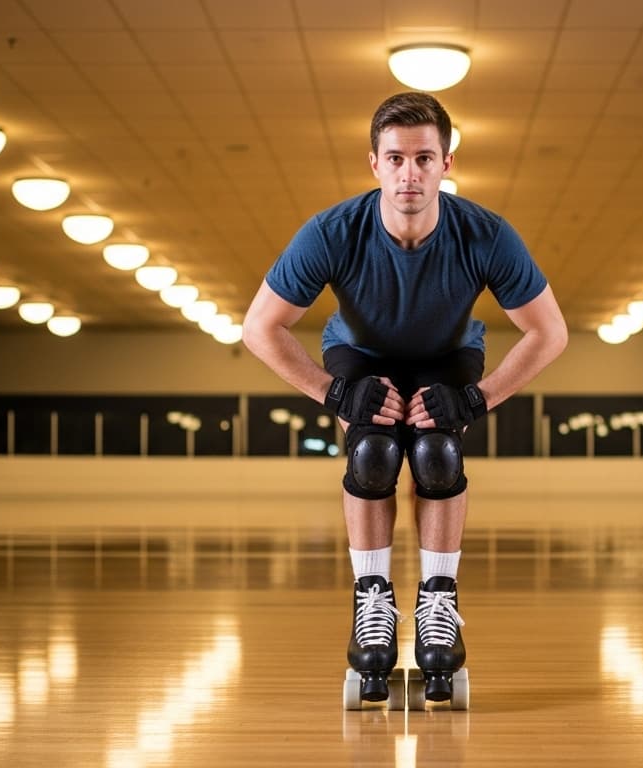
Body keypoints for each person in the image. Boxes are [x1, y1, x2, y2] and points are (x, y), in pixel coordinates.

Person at [241, 92, 567, 706]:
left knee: (438, 455)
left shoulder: (486, 234)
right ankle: (373, 599)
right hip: (359, 356)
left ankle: (438, 599)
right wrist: (333, 391)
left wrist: (477, 400)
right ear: (374, 164)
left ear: (447, 163)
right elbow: (259, 328)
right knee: (371, 455)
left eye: (424, 157)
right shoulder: (332, 231)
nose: (409, 174)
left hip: (448, 358)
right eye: (395, 158)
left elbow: (550, 332)